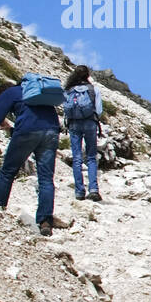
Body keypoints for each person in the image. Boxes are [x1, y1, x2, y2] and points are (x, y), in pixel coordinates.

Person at [0, 79, 61, 236]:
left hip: (27, 132)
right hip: (52, 132)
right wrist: (12, 129)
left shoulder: (9, 93)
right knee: (46, 178)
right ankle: (45, 221)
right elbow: (36, 122)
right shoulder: (36, 94)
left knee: (8, 172)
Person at [63, 64, 103, 202]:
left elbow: (65, 108)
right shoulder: (93, 89)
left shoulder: (69, 90)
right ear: (88, 75)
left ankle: (79, 191)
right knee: (91, 157)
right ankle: (93, 190)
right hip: (90, 123)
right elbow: (99, 110)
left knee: (77, 158)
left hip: (74, 123)